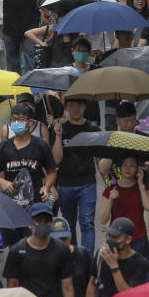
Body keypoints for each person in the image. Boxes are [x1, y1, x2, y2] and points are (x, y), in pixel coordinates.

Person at [0, 104, 58, 244]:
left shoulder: (41, 145)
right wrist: (3, 182)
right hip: (10, 207)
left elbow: (51, 171)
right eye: (13, 119)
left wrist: (47, 187)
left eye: (21, 119)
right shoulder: (4, 146)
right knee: (13, 246)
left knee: (33, 243)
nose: (16, 123)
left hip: (35, 208)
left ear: (30, 123)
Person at [52, 96, 100, 254]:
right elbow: (56, 159)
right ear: (66, 108)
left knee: (87, 224)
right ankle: (72, 259)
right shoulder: (60, 129)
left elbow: (101, 159)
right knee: (69, 224)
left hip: (87, 183)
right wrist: (58, 136)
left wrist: (112, 181)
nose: (75, 109)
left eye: (79, 105)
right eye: (71, 106)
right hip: (65, 184)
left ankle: (88, 261)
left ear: (85, 107)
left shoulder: (93, 130)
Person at [99, 156, 149, 258]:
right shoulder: (111, 189)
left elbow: (148, 206)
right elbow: (103, 219)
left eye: (132, 166)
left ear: (138, 168)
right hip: (117, 239)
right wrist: (111, 199)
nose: (128, 169)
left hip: (138, 238)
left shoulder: (142, 187)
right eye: (125, 165)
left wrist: (141, 184)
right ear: (119, 167)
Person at [0, 0, 43, 75]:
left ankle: (31, 88)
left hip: (30, 26)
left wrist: (46, 15)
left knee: (30, 56)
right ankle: (14, 89)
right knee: (12, 59)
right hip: (10, 26)